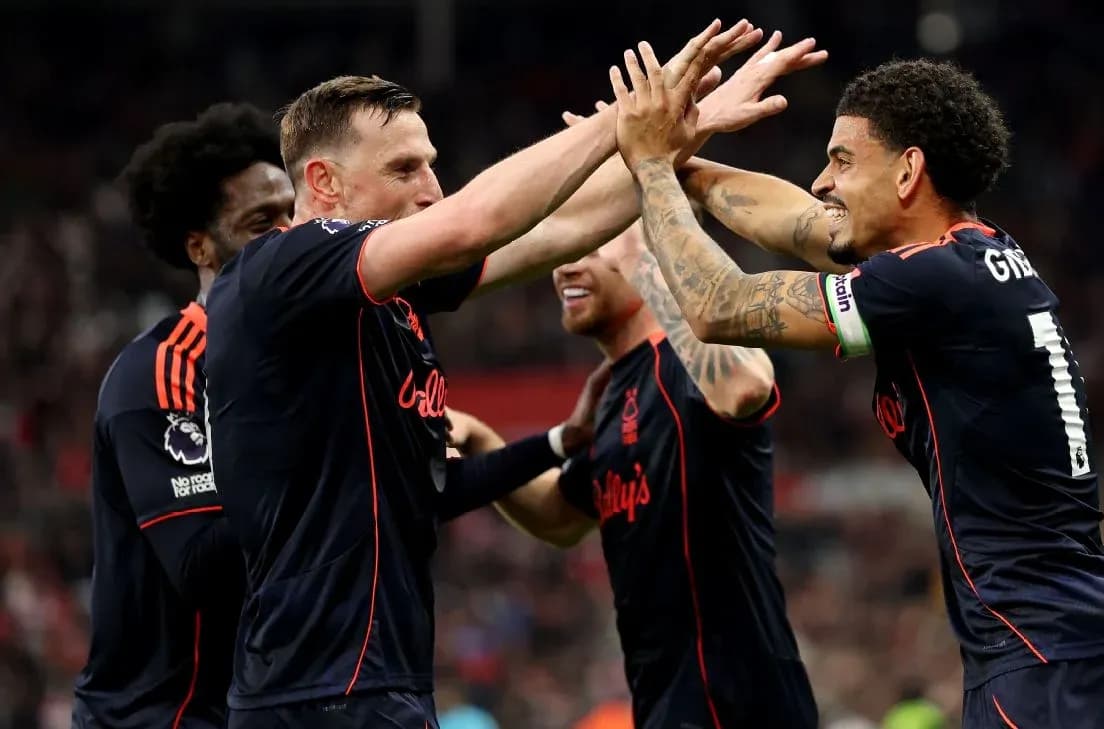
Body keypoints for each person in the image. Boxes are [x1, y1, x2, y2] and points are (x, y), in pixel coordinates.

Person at [203, 19, 822, 727]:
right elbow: (476, 221)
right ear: (324, 183)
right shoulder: (285, 265)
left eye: (431, 165)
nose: (432, 188)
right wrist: (626, 117)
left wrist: (671, 139)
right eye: (406, 169)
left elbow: (555, 229)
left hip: (371, 680)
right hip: (317, 691)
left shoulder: (392, 293)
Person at [610, 53, 1104, 728]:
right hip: (1080, 642)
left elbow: (721, 305)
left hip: (1046, 654)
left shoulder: (933, 281)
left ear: (907, 171)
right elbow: (804, 225)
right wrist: (682, 166)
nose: (822, 180)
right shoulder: (972, 257)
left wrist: (649, 168)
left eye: (843, 161)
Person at [447, 220, 817, 729]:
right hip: (666, 701)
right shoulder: (613, 392)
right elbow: (560, 517)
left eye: (594, 246)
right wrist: (482, 440)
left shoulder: (684, 360)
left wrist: (646, 259)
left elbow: (747, 385)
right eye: (565, 249)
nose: (567, 266)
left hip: (737, 701)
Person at [72, 102, 295, 728]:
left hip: (250, 708)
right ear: (200, 246)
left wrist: (551, 444)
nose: (286, 235)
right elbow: (202, 567)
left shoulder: (293, 360)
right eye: (260, 222)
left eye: (290, 214)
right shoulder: (165, 371)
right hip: (158, 716)